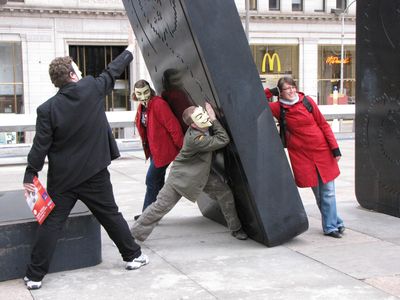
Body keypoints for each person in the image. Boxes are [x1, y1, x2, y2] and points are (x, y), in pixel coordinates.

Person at [22, 29, 148, 290]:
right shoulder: (90, 88)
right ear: (71, 75)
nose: (79, 72)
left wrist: (30, 174)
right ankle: (133, 256)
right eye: (76, 69)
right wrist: (129, 49)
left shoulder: (47, 109)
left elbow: (40, 146)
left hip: (63, 178)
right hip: (94, 173)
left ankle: (34, 276)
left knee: (52, 224)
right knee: (110, 214)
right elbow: (111, 71)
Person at [130, 103, 248, 241]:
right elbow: (223, 139)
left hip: (201, 175)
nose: (205, 117)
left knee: (225, 193)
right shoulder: (195, 139)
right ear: (193, 125)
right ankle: (133, 234)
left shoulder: (203, 129)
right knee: (160, 206)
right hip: (181, 179)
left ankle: (236, 228)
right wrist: (214, 119)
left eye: (204, 113)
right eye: (201, 116)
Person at [265, 76, 345, 238]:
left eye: (293, 87)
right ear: (281, 92)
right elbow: (257, 103)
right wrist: (269, 91)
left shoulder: (307, 102)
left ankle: (330, 227)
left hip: (322, 151)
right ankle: (336, 222)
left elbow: (323, 125)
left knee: (328, 192)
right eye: (287, 89)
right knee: (319, 195)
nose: (291, 91)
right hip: (302, 157)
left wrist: (335, 149)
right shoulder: (278, 108)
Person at [132, 80, 184, 220]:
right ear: (135, 94)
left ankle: (147, 215)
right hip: (154, 151)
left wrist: (183, 149)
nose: (143, 96)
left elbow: (173, 127)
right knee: (157, 182)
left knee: (151, 180)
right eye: (139, 93)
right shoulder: (142, 107)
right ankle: (155, 213)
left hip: (163, 152)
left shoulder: (158, 104)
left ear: (150, 90)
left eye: (146, 92)